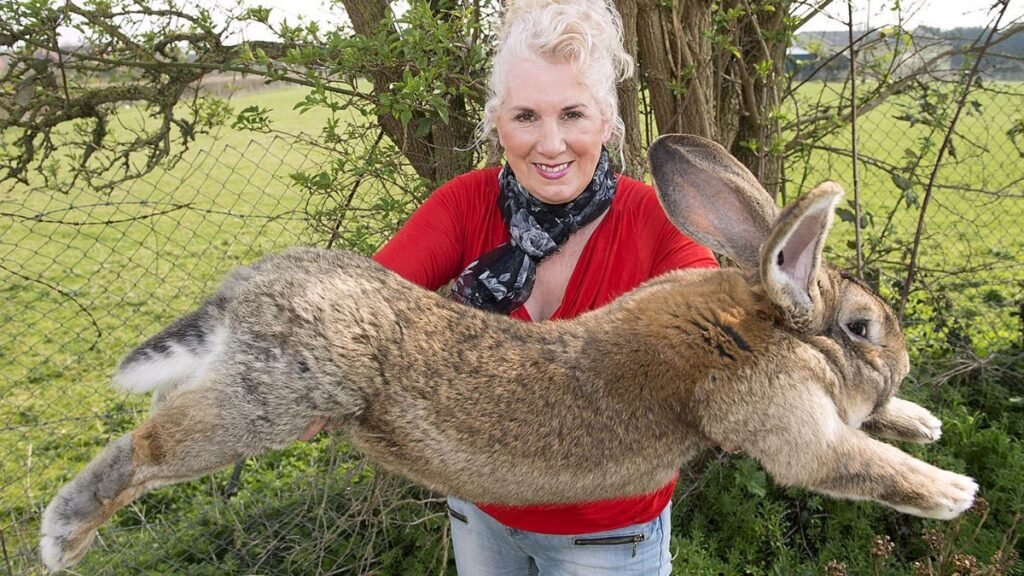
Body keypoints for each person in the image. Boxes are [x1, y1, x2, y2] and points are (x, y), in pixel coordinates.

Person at [373, 1, 718, 574]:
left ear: (607, 120)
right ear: (498, 122)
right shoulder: (465, 205)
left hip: (607, 538)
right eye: (527, 116)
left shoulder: (655, 222)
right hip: (480, 512)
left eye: (573, 115)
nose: (550, 144)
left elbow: (719, 339)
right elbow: (359, 305)